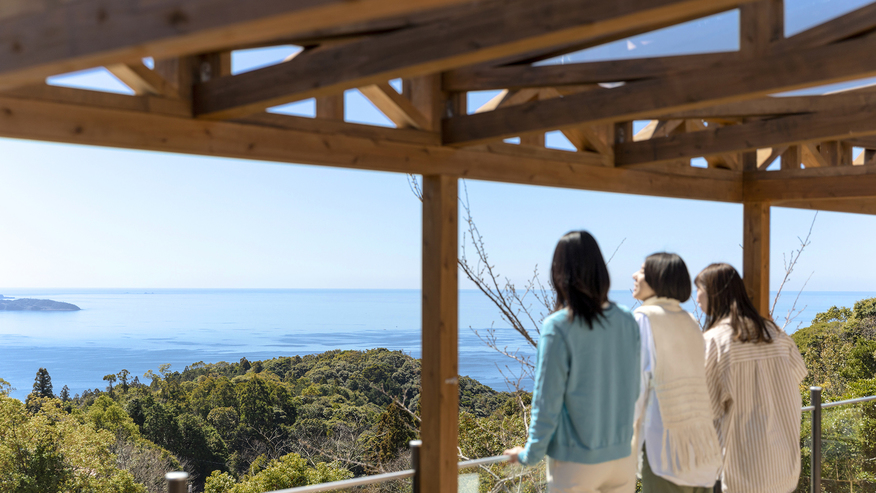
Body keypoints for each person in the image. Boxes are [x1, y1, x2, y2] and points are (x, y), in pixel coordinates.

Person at [504, 231, 641, 493]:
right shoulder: (626, 320)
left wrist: (529, 455)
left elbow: (547, 403)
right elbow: (634, 389)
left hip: (575, 462)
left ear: (559, 273)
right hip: (622, 457)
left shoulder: (558, 326)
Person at [695, 263, 807, 493]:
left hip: (745, 470)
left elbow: (707, 408)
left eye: (699, 289)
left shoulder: (716, 341)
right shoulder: (774, 332)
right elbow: (797, 374)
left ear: (714, 293)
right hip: (784, 464)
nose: (696, 297)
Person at [631, 253, 722, 493]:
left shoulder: (643, 319)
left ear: (657, 278)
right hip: (700, 449)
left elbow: (634, 390)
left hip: (664, 450)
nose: (634, 275)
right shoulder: (689, 319)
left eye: (641, 271)